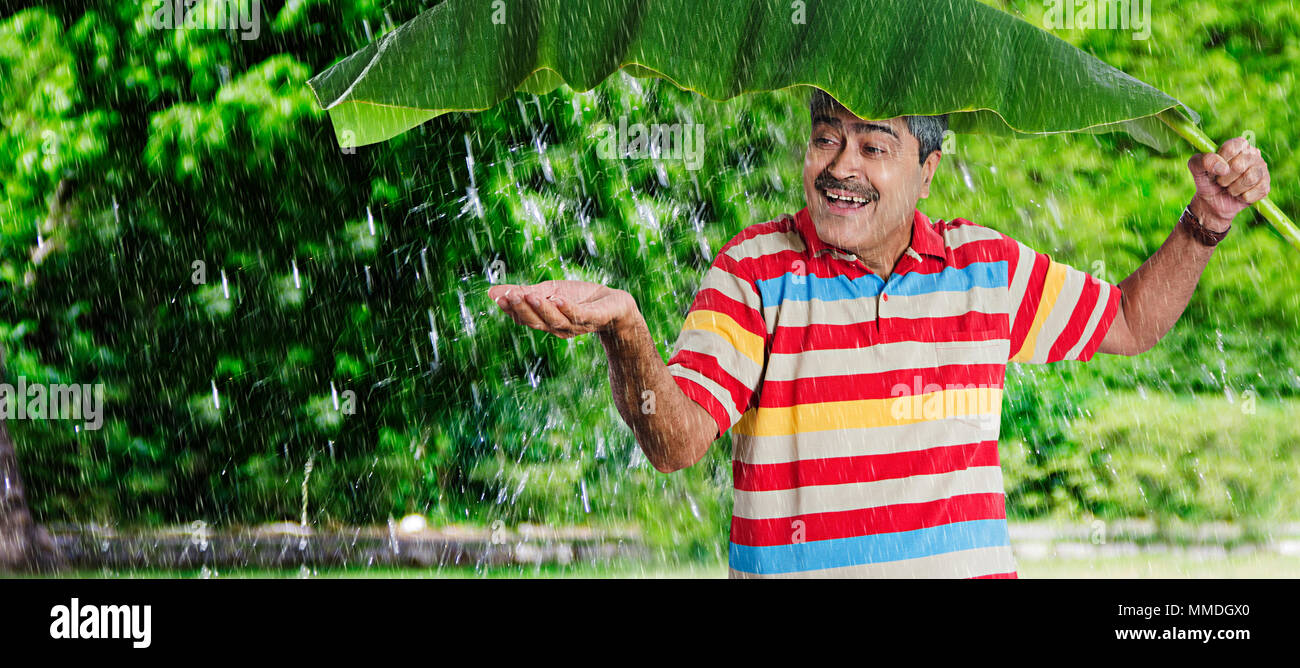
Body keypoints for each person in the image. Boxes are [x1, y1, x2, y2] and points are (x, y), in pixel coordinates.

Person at [489, 89, 1271, 578]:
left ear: (927, 169)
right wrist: (625, 329)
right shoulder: (755, 271)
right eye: (827, 137)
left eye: (873, 145)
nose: (842, 165)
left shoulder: (984, 268)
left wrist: (1208, 220)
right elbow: (678, 442)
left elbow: (1131, 322)